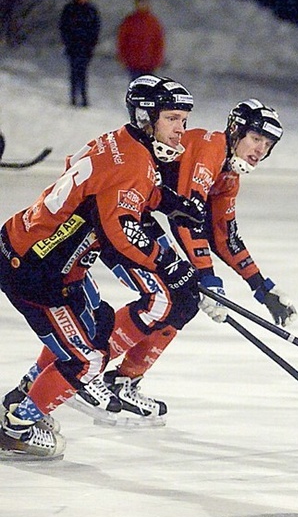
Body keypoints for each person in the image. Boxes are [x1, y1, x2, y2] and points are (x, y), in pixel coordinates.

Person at [58, 99, 297, 426]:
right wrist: (208, 278)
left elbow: (224, 236)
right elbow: (187, 219)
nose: (260, 150)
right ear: (236, 131)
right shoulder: (212, 147)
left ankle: (123, 380)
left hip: (139, 214)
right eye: (256, 139)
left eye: (268, 145)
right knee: (161, 298)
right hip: (118, 214)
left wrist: (262, 287)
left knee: (183, 301)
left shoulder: (229, 176)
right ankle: (85, 371)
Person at [0, 75, 202, 459]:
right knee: (87, 359)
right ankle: (16, 428)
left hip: (39, 255)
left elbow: (101, 183)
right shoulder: (136, 163)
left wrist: (164, 200)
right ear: (147, 118)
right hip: (37, 272)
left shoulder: (118, 141)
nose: (181, 128)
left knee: (93, 329)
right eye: (173, 118)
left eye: (183, 119)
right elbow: (121, 229)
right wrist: (167, 264)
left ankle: (24, 396)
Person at [58, 0, 101, 107]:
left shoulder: (91, 10)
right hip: (73, 46)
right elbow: (64, 27)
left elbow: (95, 29)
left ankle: (83, 97)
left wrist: (92, 44)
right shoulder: (70, 9)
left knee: (83, 73)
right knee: (73, 72)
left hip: (86, 47)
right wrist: (67, 42)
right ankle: (73, 98)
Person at [117, 0, 164, 80]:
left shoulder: (153, 22)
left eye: (144, 3)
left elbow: (159, 42)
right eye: (140, 3)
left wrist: (157, 60)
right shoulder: (129, 21)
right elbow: (122, 41)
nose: (141, 5)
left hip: (149, 64)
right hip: (133, 63)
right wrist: (123, 58)